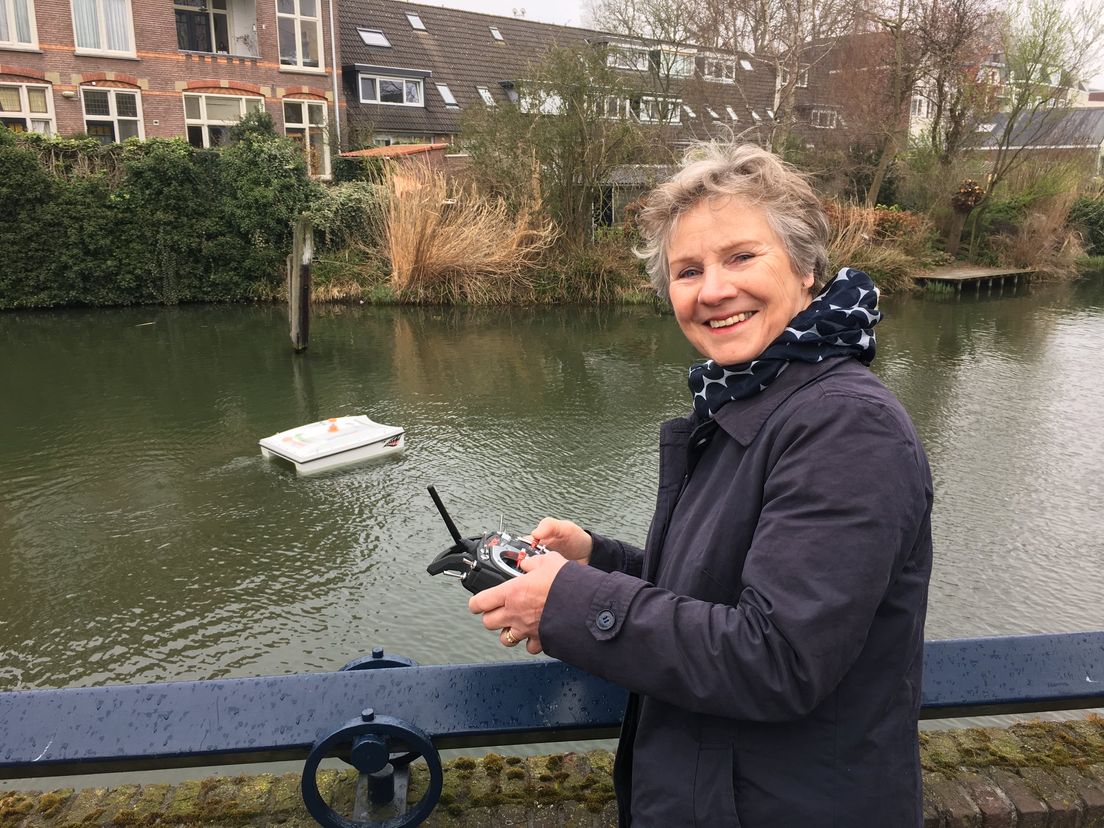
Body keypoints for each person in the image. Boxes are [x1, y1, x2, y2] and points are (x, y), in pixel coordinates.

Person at [469, 142, 933, 827]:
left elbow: (776, 658)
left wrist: (568, 601)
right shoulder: (751, 401)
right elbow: (720, 590)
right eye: (688, 271)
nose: (713, 290)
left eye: (741, 257)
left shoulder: (845, 427)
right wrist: (600, 561)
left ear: (806, 268)